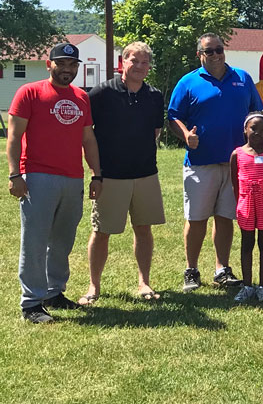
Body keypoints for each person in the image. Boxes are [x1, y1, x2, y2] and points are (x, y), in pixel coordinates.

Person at [7, 43, 102, 323]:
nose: (67, 69)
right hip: (37, 176)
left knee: (62, 241)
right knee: (35, 241)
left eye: (72, 65)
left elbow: (88, 139)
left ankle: (53, 292)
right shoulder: (30, 92)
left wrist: (96, 174)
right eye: (61, 64)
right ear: (49, 65)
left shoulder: (81, 97)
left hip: (73, 178)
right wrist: (15, 175)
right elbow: (13, 137)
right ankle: (31, 303)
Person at [168, 33, 263, 292]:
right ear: (200, 55)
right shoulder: (188, 82)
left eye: (219, 49)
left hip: (236, 163)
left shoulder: (242, 79)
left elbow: (257, 113)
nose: (216, 55)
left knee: (225, 217)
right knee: (197, 218)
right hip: (201, 162)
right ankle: (191, 270)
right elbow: (173, 116)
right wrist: (186, 135)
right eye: (209, 51)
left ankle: (222, 269)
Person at [81, 41, 165, 306]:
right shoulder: (102, 93)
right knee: (101, 231)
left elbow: (155, 132)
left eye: (144, 62)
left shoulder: (154, 96)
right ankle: (94, 286)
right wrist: (96, 171)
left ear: (148, 67)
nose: (139, 66)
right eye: (134, 61)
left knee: (144, 229)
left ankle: (144, 282)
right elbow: (86, 131)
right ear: (122, 63)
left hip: (145, 174)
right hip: (111, 175)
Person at [230, 113, 263, 303]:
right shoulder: (237, 154)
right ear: (245, 129)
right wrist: (240, 201)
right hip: (246, 203)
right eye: (254, 128)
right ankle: (247, 285)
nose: (258, 133)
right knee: (247, 244)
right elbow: (234, 182)